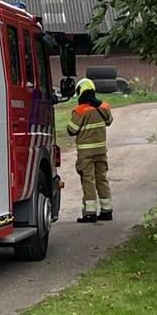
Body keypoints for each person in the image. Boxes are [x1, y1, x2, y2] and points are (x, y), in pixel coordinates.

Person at [66, 78, 112, 223]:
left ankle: (90, 213)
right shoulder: (103, 107)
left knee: (88, 181)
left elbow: (71, 130)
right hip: (101, 151)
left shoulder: (80, 111)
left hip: (86, 154)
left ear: (80, 92)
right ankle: (107, 211)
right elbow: (109, 121)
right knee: (102, 179)